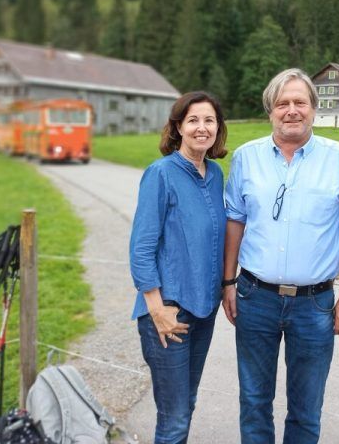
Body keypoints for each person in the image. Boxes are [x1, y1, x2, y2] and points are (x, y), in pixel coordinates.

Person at [222, 68, 339, 444]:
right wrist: (228, 282)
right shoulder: (246, 158)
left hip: (314, 304)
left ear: (314, 109)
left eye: (300, 102)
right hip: (255, 297)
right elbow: (235, 221)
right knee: (254, 400)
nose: (291, 110)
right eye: (282, 103)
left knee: (306, 407)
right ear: (270, 111)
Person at [129, 91, 228, 444]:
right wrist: (157, 309)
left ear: (218, 128)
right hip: (169, 311)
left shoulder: (215, 174)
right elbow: (141, 248)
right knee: (173, 419)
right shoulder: (161, 174)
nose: (202, 128)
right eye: (193, 120)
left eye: (209, 120)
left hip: (204, 310)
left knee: (186, 404)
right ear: (178, 128)